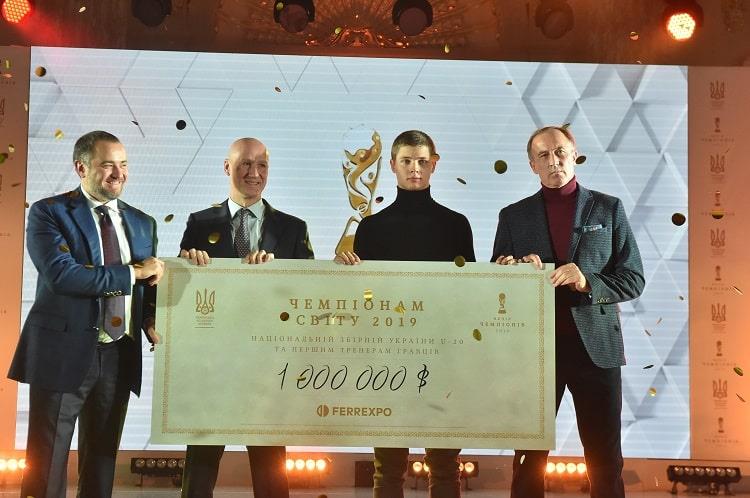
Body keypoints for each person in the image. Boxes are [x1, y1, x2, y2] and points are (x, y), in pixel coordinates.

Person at [8, 130, 165, 498]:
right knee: (47, 464)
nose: (118, 173)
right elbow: (62, 275)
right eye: (107, 165)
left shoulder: (143, 222)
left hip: (119, 353)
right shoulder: (49, 212)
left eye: (124, 164)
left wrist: (149, 319)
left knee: (102, 461)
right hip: (62, 352)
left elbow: (148, 286)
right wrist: (133, 273)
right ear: (81, 167)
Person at [492, 125, 645, 498]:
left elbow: (634, 279)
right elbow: (497, 285)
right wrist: (509, 271)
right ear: (532, 165)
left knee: (605, 461)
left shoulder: (608, 208)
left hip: (597, 352)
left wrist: (587, 281)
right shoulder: (513, 216)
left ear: (574, 154)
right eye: (543, 155)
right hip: (535, 353)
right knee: (528, 460)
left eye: (560, 151)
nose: (553, 161)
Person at [337, 130, 475, 498]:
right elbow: (365, 299)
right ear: (393, 165)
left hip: (444, 355)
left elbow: (468, 293)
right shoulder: (371, 228)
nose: (415, 168)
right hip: (388, 358)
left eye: (422, 161)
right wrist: (348, 279)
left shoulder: (456, 225)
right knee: (388, 467)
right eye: (407, 161)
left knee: (445, 466)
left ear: (434, 165)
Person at [179, 137, 314, 498]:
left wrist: (279, 277)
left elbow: (308, 296)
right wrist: (188, 268)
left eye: (262, 165)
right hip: (213, 365)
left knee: (271, 471)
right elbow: (183, 293)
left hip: (268, 368)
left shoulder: (294, 228)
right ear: (228, 167)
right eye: (244, 164)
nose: (254, 173)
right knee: (200, 468)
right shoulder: (198, 223)